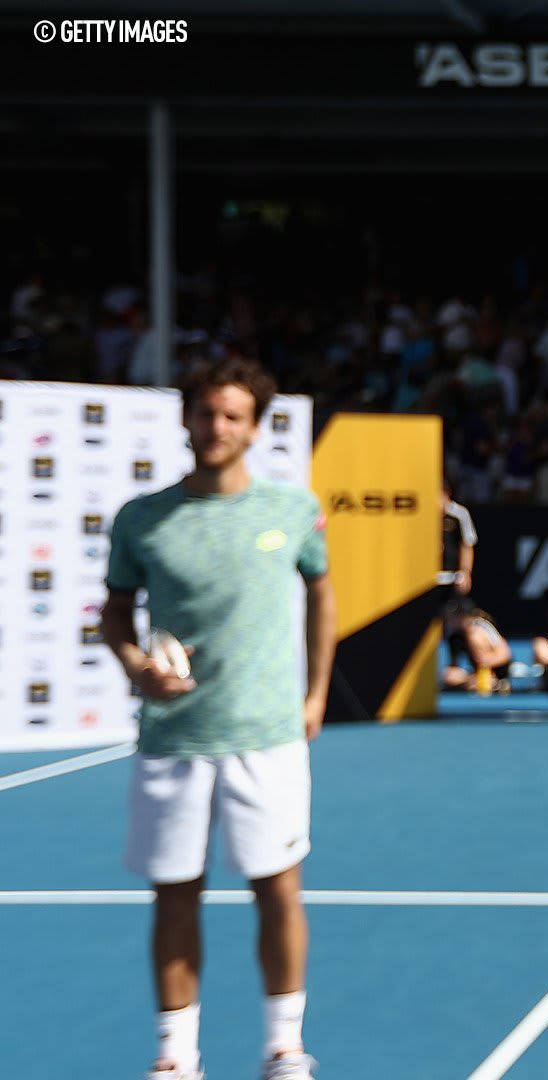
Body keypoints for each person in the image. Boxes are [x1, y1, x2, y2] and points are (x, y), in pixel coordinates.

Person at [100, 358, 335, 1080]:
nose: (217, 428)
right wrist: (137, 664)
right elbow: (113, 614)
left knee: (279, 890)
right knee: (174, 897)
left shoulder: (292, 511)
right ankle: (176, 1057)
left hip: (266, 737)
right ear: (186, 420)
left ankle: (284, 1047)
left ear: (255, 427)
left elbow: (323, 596)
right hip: (173, 740)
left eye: (232, 416)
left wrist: (317, 693)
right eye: (206, 414)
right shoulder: (141, 519)